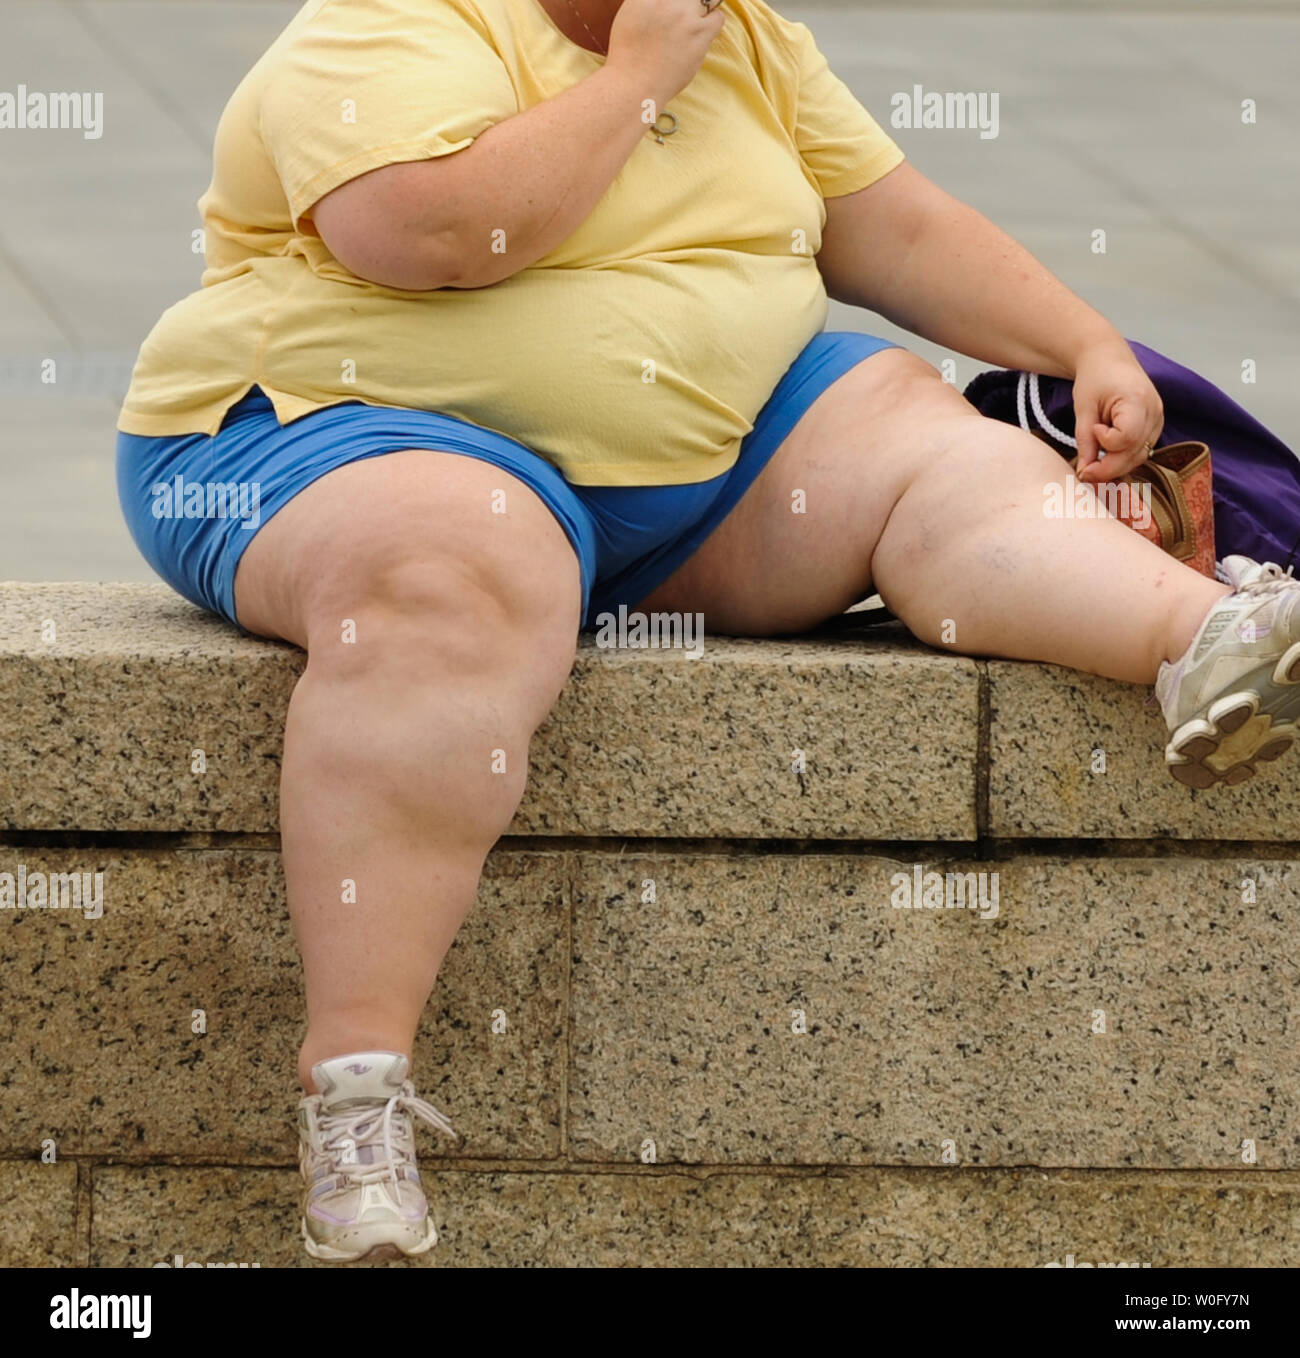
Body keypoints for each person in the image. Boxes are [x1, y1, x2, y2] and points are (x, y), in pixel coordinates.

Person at [115, 0, 1300, 1261]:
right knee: (457, 568)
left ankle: (1210, 641)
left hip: (702, 474)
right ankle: (356, 1085)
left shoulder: (751, 38)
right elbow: (438, 233)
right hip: (334, 431)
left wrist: (1080, 340)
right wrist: (638, 76)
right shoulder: (388, 23)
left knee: (916, 430)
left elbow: (889, 224)